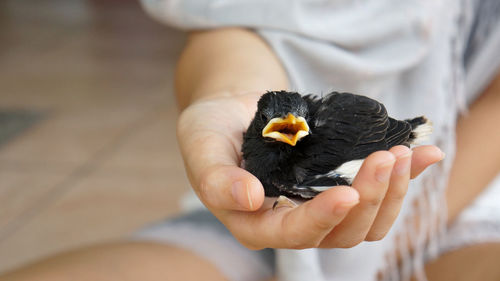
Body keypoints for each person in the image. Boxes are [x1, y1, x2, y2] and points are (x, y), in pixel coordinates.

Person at [1, 1, 500, 281]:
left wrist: (386, 254)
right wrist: (224, 93)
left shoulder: (325, 144)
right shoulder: (269, 152)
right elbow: (229, 26)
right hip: (267, 215)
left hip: (467, 201)